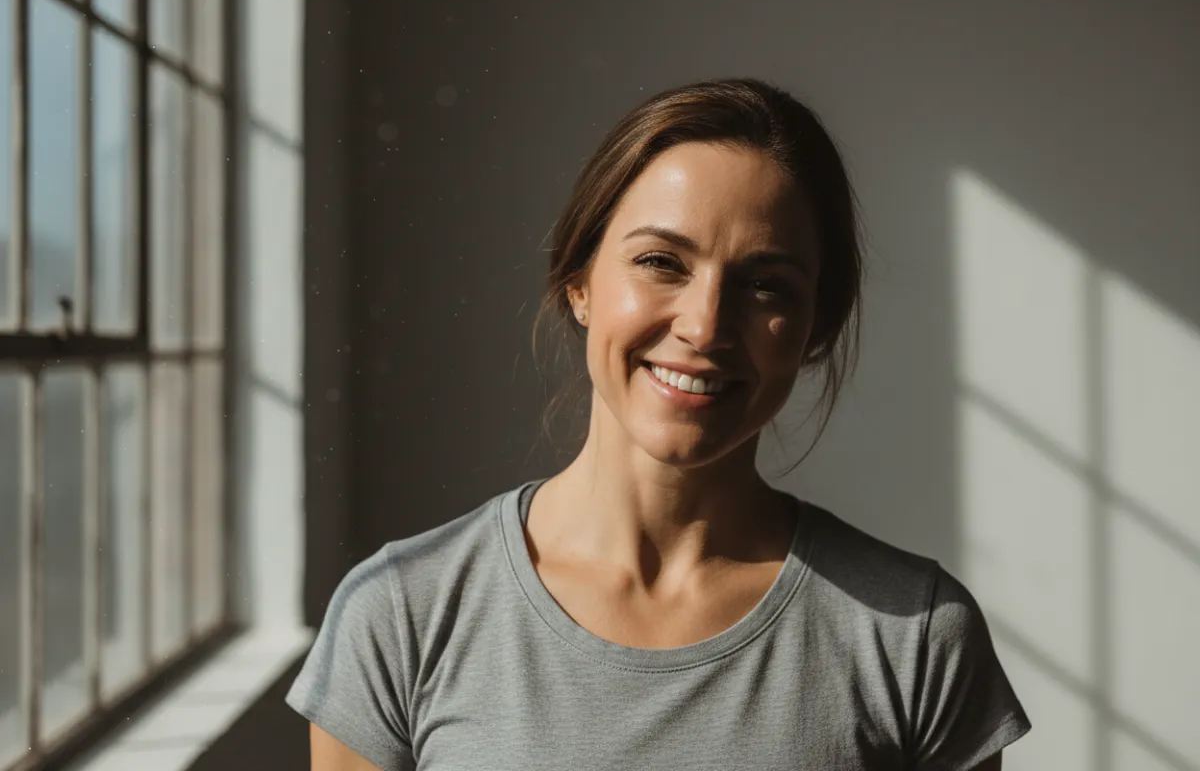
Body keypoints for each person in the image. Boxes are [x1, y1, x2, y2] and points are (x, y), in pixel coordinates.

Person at [286, 78, 1031, 770]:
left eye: (765, 284)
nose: (706, 325)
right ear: (579, 282)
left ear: (814, 329)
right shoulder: (399, 614)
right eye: (661, 263)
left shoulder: (914, 638)